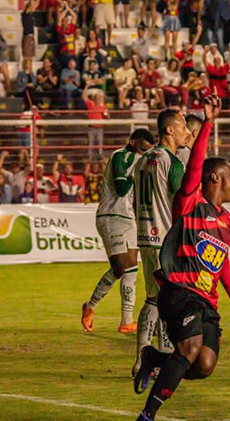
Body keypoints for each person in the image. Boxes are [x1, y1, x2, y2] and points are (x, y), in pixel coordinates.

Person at [134, 95, 230, 421]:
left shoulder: (227, 221)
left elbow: (221, 260)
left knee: (203, 366)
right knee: (188, 349)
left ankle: (153, 358)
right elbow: (196, 167)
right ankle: (147, 415)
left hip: (208, 298)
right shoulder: (189, 202)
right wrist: (208, 123)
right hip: (180, 290)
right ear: (215, 178)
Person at [131, 107, 190, 376]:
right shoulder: (172, 162)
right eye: (182, 127)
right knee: (169, 299)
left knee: (153, 298)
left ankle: (144, 354)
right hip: (164, 239)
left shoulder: (143, 159)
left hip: (145, 236)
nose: (186, 132)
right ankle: (163, 354)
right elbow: (183, 198)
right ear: (169, 130)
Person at [82, 128, 156, 333]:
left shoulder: (138, 160)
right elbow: (122, 188)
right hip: (110, 216)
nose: (144, 154)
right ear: (133, 142)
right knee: (120, 266)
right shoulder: (119, 156)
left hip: (129, 218)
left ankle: (126, 321)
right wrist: (137, 170)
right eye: (142, 149)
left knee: (131, 268)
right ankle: (90, 306)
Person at [82, 82, 109, 161]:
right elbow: (84, 96)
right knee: (91, 144)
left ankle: (100, 157)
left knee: (100, 144)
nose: (99, 98)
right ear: (95, 97)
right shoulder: (91, 104)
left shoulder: (103, 106)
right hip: (91, 127)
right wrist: (86, 86)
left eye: (100, 97)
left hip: (100, 128)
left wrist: (106, 114)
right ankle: (90, 158)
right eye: (98, 97)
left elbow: (108, 117)